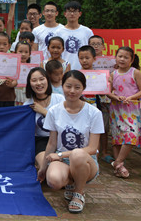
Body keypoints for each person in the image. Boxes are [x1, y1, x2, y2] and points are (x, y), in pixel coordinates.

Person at [37, 70, 103, 214]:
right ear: (62, 86)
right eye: (68, 86)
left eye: (77, 87)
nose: (72, 91)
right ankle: (71, 184)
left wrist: (61, 155)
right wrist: (43, 168)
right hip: (63, 161)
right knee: (53, 181)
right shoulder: (54, 111)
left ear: (83, 88)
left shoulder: (94, 113)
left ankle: (78, 193)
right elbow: (52, 143)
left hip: (86, 162)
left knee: (77, 154)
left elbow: (92, 148)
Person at [106, 46, 141, 178]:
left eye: (126, 57)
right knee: (117, 138)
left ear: (132, 59)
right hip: (116, 109)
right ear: (115, 58)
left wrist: (130, 97)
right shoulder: (113, 74)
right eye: (120, 56)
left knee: (131, 136)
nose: (122, 59)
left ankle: (117, 162)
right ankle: (119, 168)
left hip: (131, 110)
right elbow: (107, 92)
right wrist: (116, 97)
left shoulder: (135, 73)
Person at [23, 67, 65, 168]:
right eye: (34, 80)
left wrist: (44, 112)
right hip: (41, 142)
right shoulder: (27, 105)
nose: (38, 83)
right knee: (48, 166)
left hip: (61, 140)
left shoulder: (59, 99)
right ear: (29, 84)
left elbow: (64, 123)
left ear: (47, 80)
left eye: (41, 79)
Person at [56, 1, 93, 70]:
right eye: (69, 11)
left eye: (75, 11)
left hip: (83, 69)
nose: (72, 14)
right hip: (64, 69)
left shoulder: (87, 32)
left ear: (80, 14)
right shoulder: (58, 32)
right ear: (65, 14)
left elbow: (92, 52)